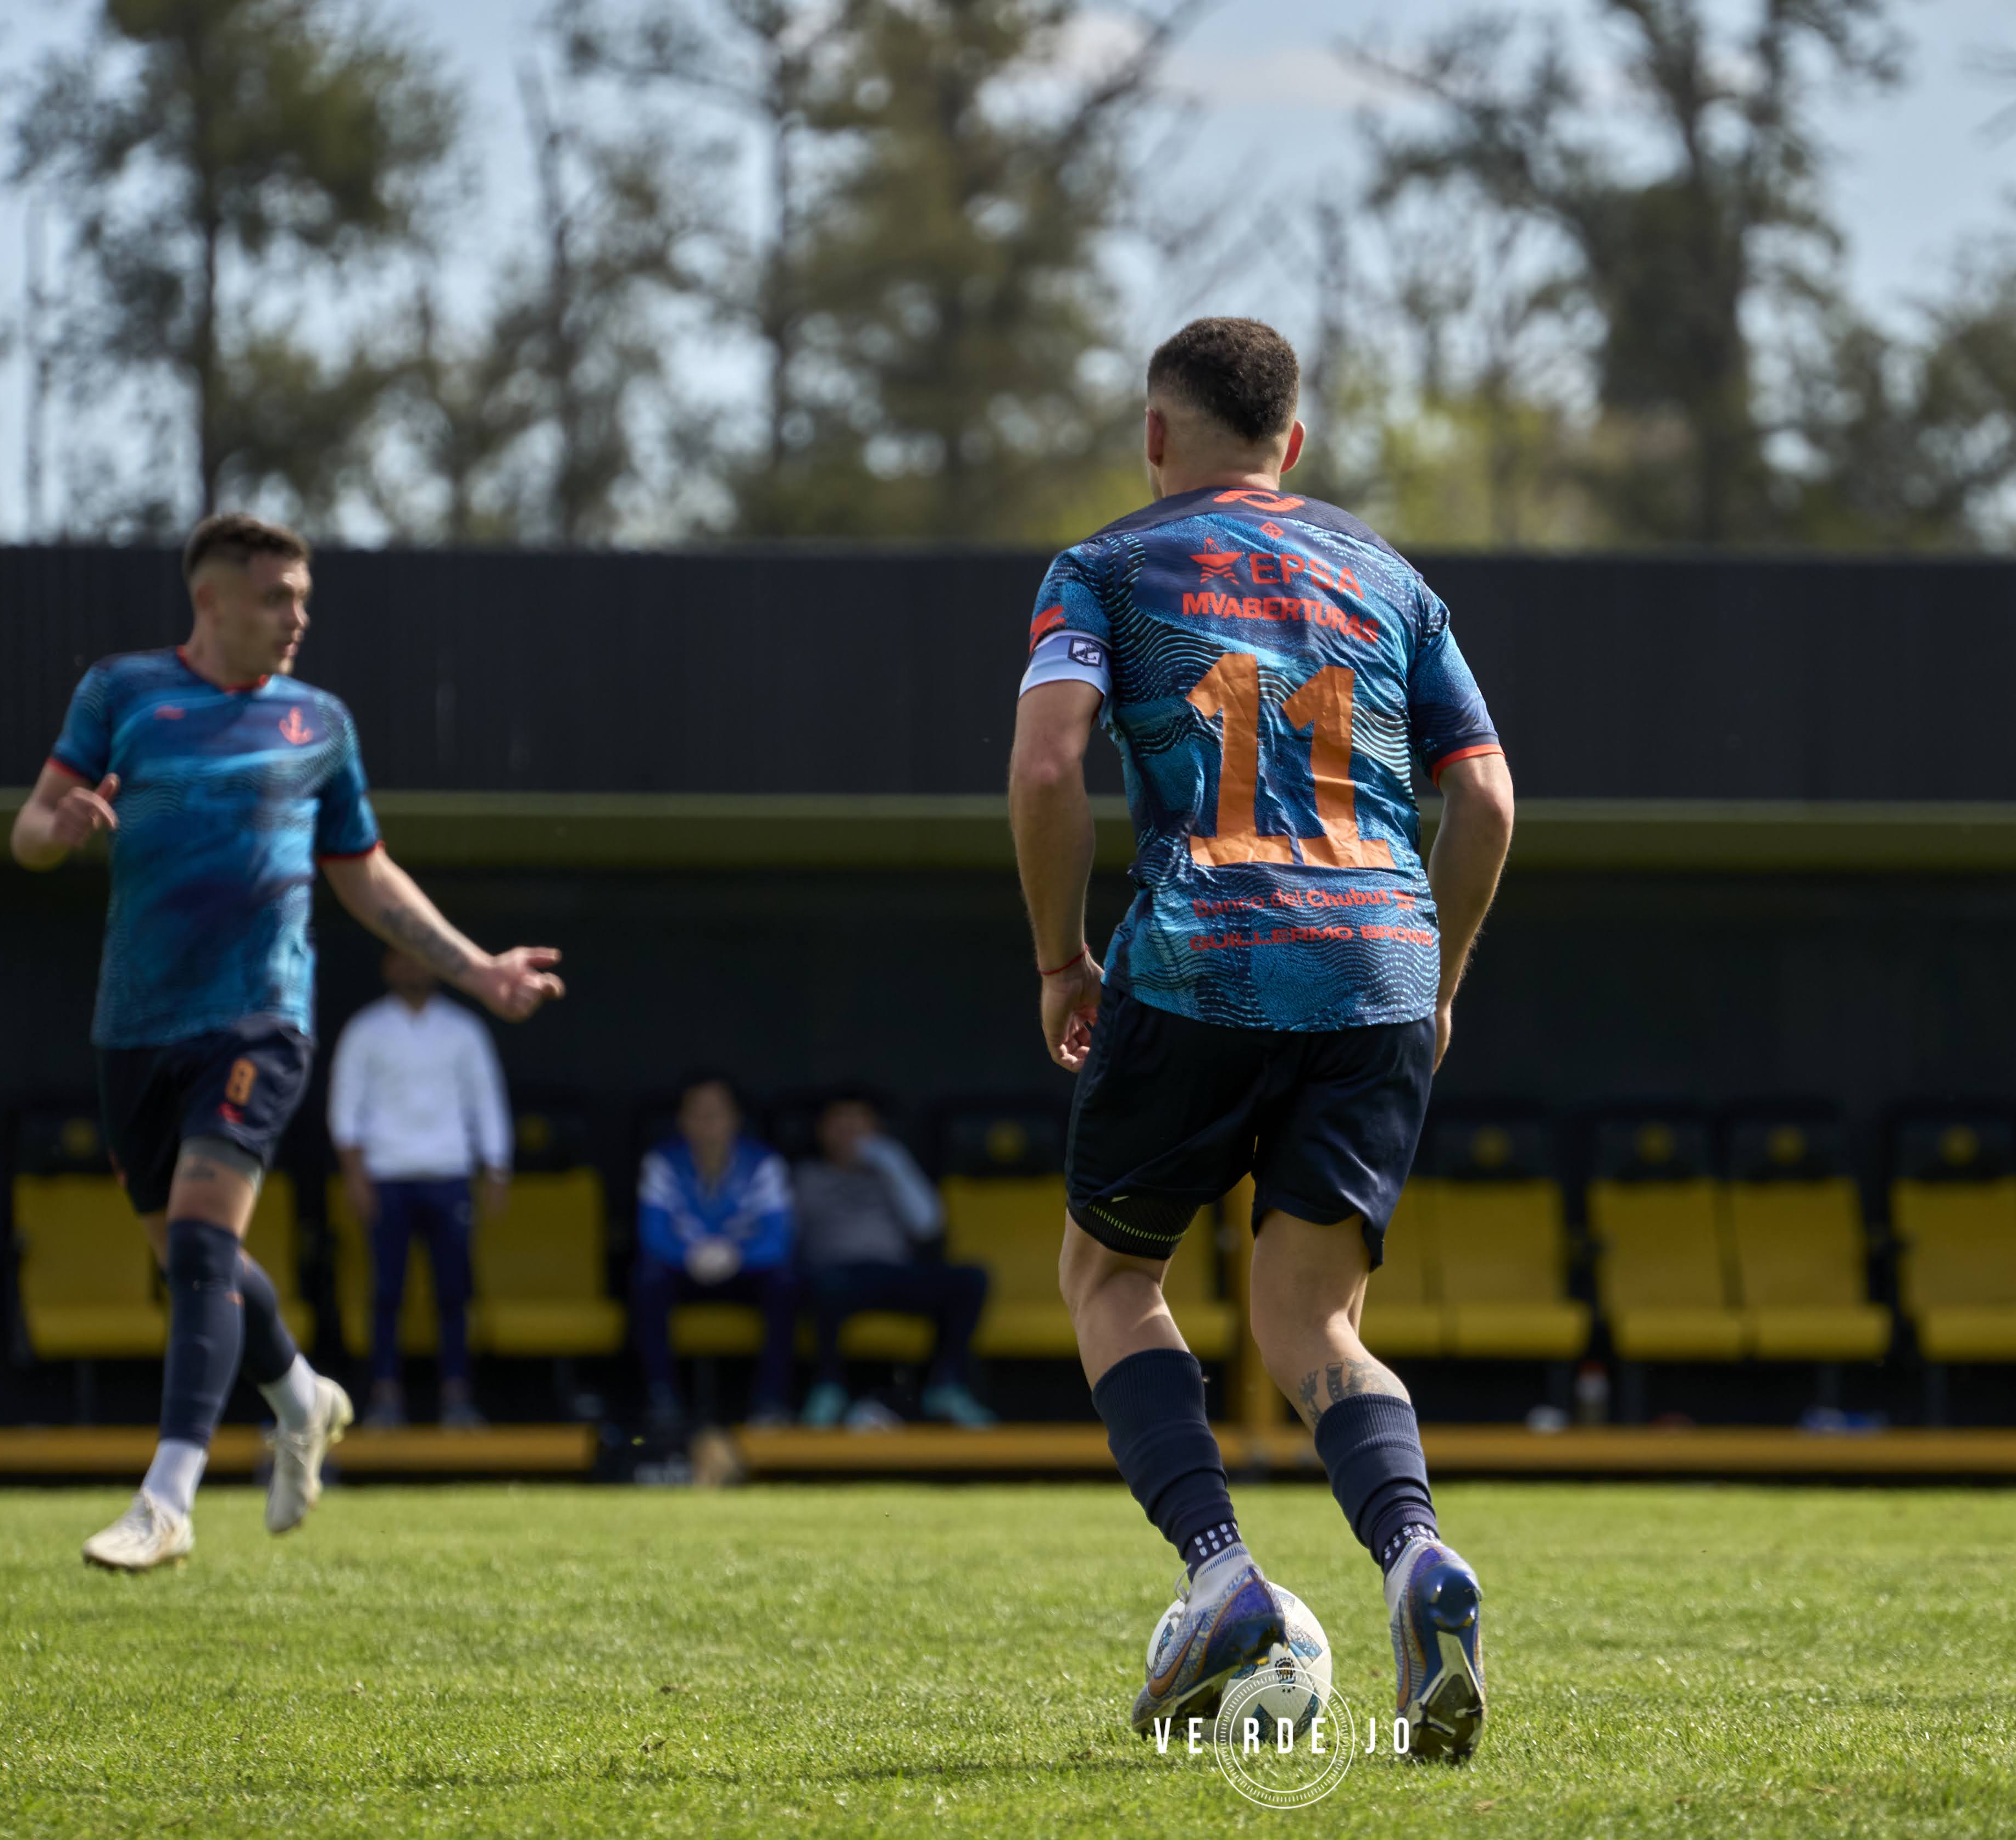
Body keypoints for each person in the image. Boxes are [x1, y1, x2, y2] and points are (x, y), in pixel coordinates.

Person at [1009, 318, 1514, 1760]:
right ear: (1291, 445)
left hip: (1202, 955)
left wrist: (1060, 956)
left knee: (1110, 1271)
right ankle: (1417, 1554)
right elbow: (1485, 801)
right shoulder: (1388, 578)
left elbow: (1050, 762)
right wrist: (1441, 973)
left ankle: (1222, 1573)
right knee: (1314, 1323)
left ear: (1154, 436)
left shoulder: (1104, 567)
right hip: (1376, 966)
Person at [10, 513, 564, 1572]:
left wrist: (478, 966)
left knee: (202, 1240)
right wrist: (63, 826)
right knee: (192, 1263)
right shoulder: (121, 694)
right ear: (211, 600)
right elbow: (27, 830)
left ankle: (167, 1495)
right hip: (134, 1028)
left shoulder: (320, 723)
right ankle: (302, 1396)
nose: (298, 617)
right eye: (278, 598)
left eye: (305, 598)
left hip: (262, 1017)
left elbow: (363, 872)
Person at [329, 948, 514, 1430]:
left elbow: (486, 1098)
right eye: (403, 959)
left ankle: (457, 1398)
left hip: (449, 1174)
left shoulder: (464, 1029)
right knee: (386, 1293)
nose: (414, 968)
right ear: (387, 966)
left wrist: (496, 1167)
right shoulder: (366, 1029)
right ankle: (385, 1399)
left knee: (454, 1293)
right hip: (387, 1175)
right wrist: (355, 1175)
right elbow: (345, 1106)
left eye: (422, 959)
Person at [792, 1096, 996, 1431]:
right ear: (821, 1131)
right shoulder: (806, 1176)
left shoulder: (891, 1170)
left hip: (893, 1274)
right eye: (839, 1123)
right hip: (835, 1277)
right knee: (819, 1285)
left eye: (859, 1122)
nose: (849, 1131)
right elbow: (786, 1235)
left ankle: (946, 1387)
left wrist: (892, 1162)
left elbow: (929, 1224)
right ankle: (828, 1389)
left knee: (970, 1279)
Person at [633, 1074, 799, 1431]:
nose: (707, 1123)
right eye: (698, 1113)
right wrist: (690, 1256)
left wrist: (736, 1256)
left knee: (784, 1282)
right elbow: (652, 1235)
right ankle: (662, 1399)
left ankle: (771, 1403)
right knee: (647, 1278)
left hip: (743, 1272)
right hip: (684, 1271)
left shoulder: (763, 1164)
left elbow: (778, 1239)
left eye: (717, 1113)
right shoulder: (663, 1162)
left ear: (735, 1119)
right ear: (682, 1120)